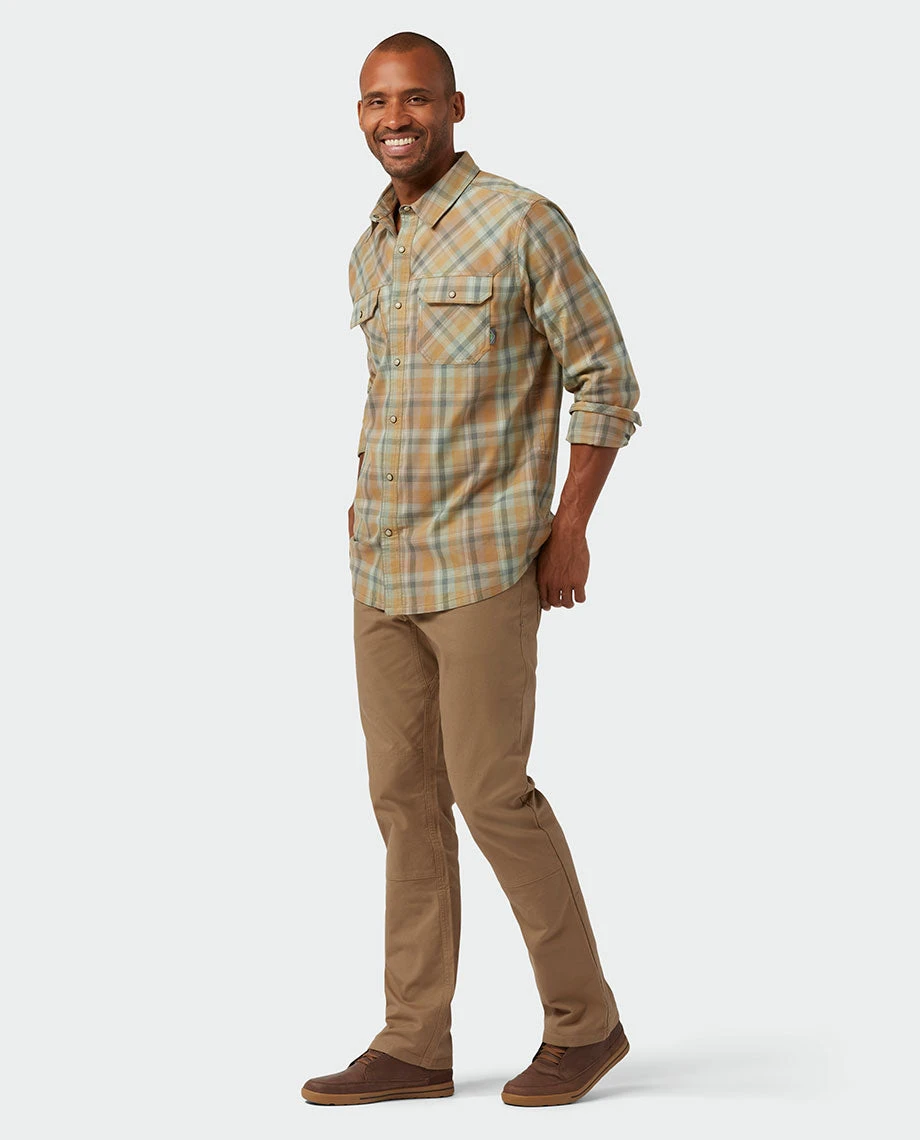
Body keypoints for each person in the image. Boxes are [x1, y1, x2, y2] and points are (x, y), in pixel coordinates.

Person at [302, 30, 642, 1109]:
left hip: (486, 558)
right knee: (402, 801)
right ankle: (414, 1042)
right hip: (379, 566)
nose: (393, 119)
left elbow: (606, 378)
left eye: (413, 99)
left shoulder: (522, 222)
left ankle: (585, 1025)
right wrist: (361, 503)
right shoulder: (372, 246)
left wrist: (569, 527)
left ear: (454, 105)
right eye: (374, 102)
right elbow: (394, 397)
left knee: (492, 792)